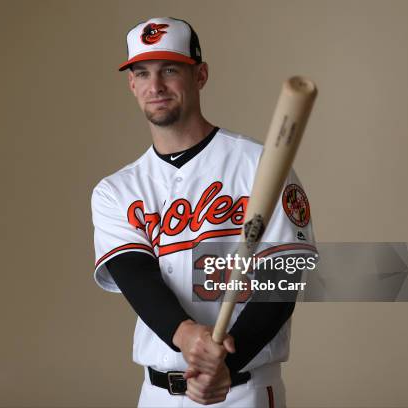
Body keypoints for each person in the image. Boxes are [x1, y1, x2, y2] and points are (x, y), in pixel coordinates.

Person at [91, 17, 317, 407]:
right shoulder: (116, 190)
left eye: (170, 69)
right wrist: (187, 335)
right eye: (142, 73)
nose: (155, 86)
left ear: (201, 75)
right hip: (157, 394)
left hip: (242, 390)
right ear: (131, 85)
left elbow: (284, 276)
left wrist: (228, 362)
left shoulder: (259, 164)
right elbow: (135, 275)